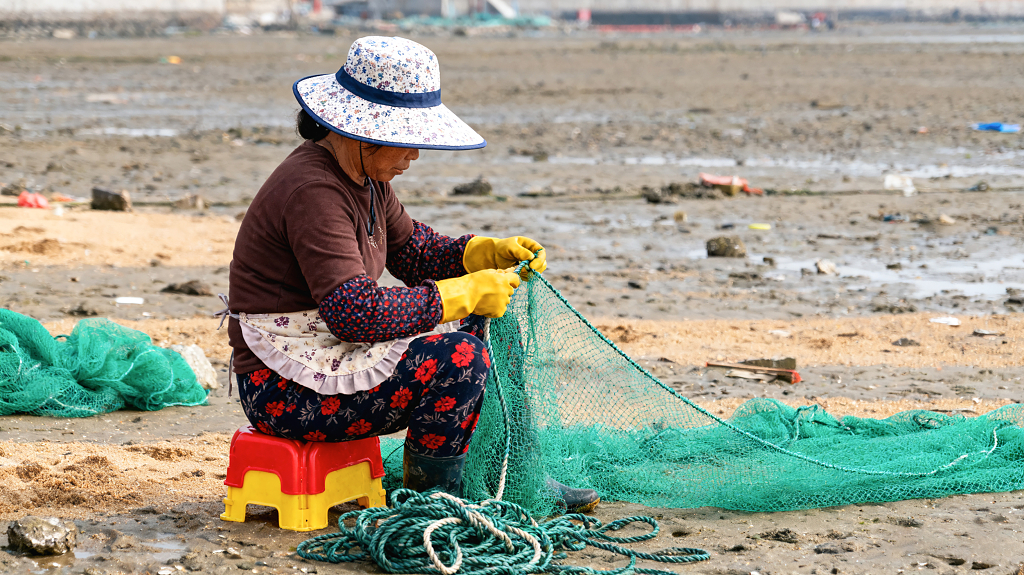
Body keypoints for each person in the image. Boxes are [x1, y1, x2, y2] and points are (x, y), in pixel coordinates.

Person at [223, 36, 598, 511]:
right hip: (285, 388)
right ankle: (433, 508)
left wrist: (484, 254)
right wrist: (464, 293)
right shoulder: (313, 190)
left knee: (489, 328)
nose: (415, 156)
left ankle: (513, 475)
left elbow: (415, 252)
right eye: (406, 142)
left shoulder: (367, 178)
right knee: (458, 357)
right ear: (362, 134)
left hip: (329, 353)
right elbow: (355, 314)